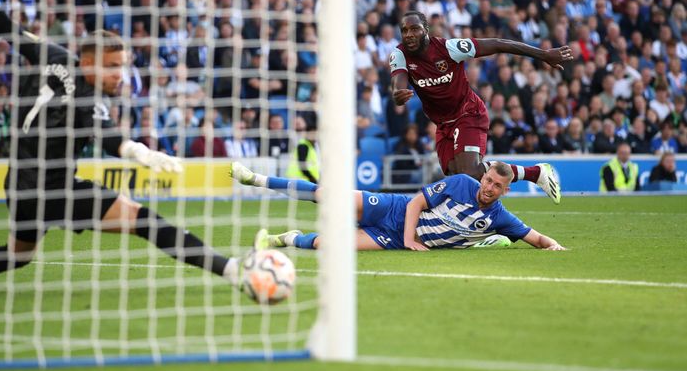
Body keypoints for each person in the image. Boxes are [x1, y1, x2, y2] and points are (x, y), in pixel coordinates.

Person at [0, 0, 251, 290]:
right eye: (111, 66)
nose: (119, 75)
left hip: (18, 187)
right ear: (87, 62)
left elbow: (6, 27)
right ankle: (231, 269)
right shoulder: (88, 96)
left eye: (122, 66)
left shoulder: (52, 54)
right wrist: (139, 151)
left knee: (18, 255)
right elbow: (107, 135)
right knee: (145, 221)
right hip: (53, 190)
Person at [389, 11, 570, 204]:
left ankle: (533, 175)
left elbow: (499, 43)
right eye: (404, 30)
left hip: (469, 112)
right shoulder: (399, 55)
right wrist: (398, 95)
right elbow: (398, 84)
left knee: (469, 172)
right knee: (456, 176)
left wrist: (543, 55)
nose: (409, 34)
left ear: (426, 30)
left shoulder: (449, 48)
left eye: (414, 29)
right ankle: (534, 174)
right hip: (443, 124)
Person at [230, 161, 565, 251]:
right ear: (484, 176)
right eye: (488, 180)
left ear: (505, 190)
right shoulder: (463, 182)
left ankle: (285, 239)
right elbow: (417, 202)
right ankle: (256, 179)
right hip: (393, 210)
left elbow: (536, 238)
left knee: (326, 245)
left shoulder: (499, 217)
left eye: (496, 186)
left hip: (389, 238)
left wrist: (554, 247)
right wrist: (409, 240)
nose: (488, 188)